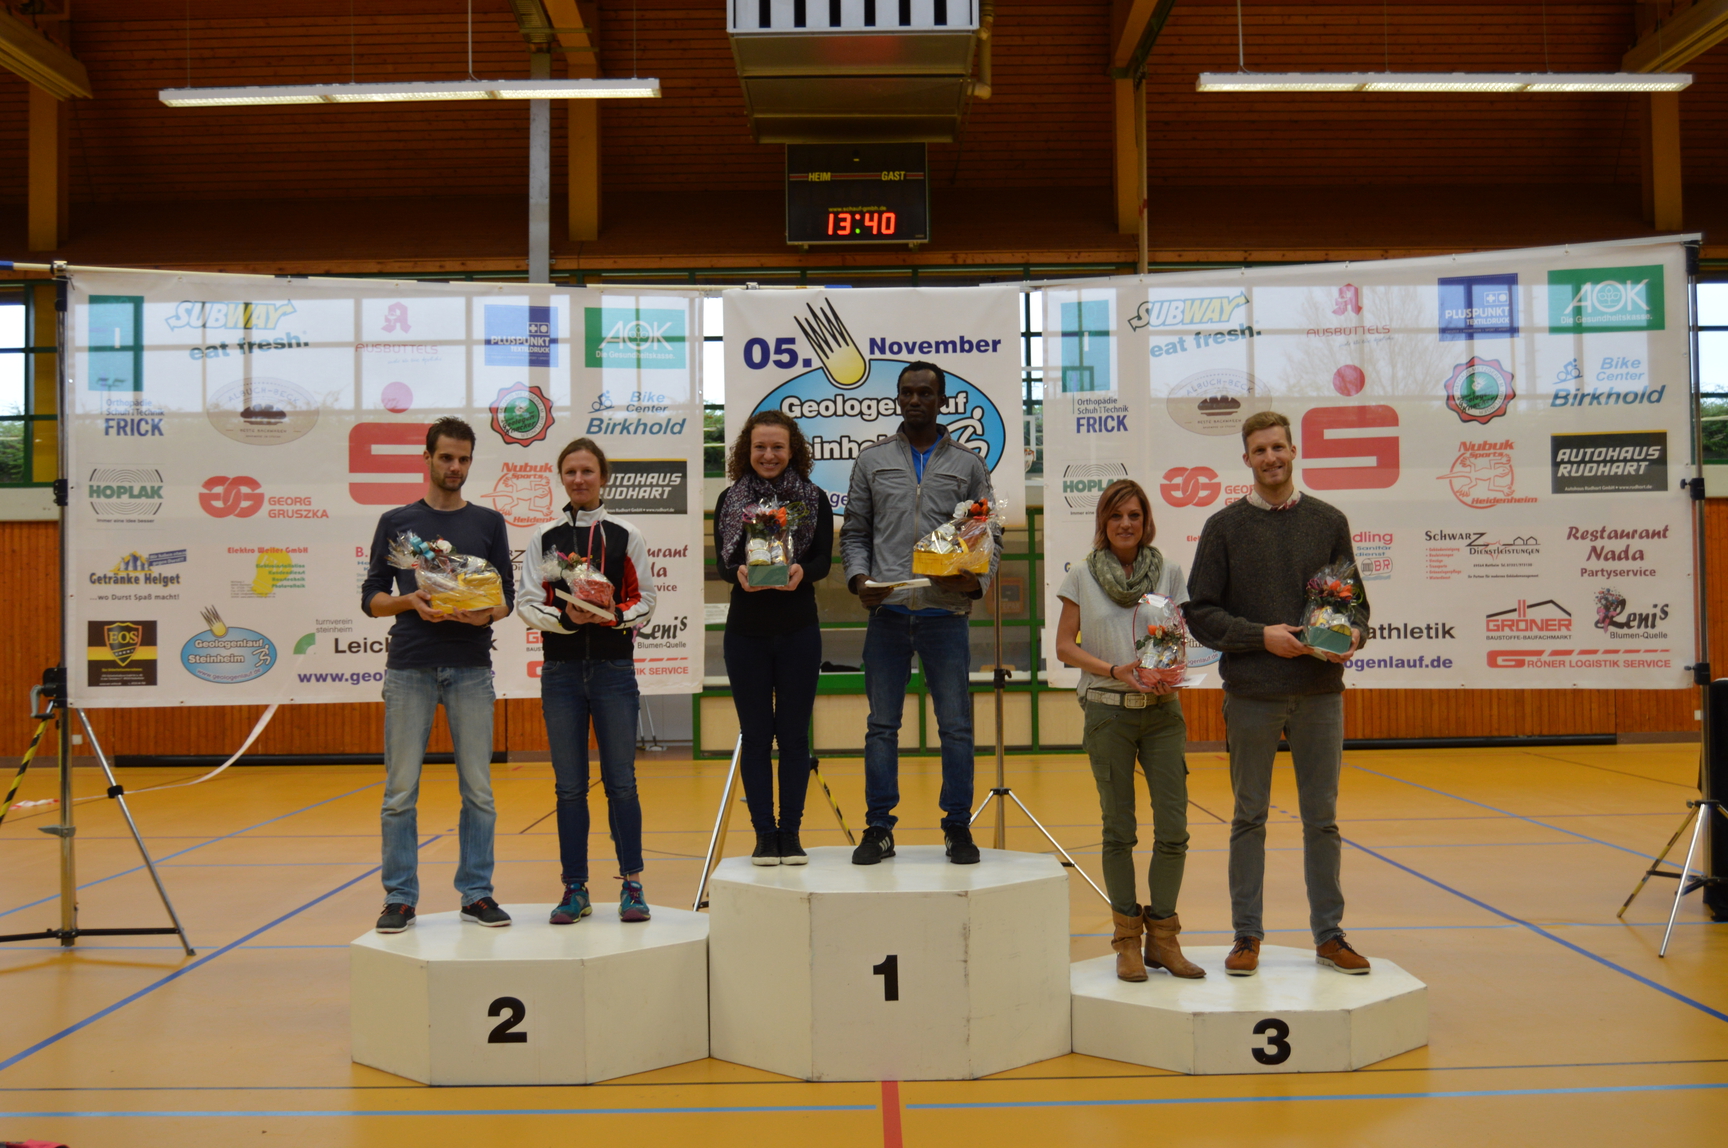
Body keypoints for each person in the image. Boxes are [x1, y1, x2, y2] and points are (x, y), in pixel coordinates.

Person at [1184, 410, 1373, 976]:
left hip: (1320, 693)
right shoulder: (1223, 527)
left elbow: (1354, 604)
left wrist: (1353, 634)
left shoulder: (1329, 521)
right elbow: (1201, 613)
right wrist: (1260, 637)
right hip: (1252, 695)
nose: (1270, 457)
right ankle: (1246, 936)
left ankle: (1330, 937)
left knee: (1323, 820)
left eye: (1278, 447)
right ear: (1246, 459)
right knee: (1249, 817)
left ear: (1293, 452)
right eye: (1259, 450)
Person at [361, 416, 515, 933]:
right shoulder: (397, 523)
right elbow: (371, 598)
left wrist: (483, 614)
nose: (455, 467)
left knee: (479, 792)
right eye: (446, 457)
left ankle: (477, 894)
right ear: (427, 458)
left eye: (463, 459)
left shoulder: (489, 522)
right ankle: (400, 898)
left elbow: (505, 599)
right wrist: (410, 602)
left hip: (471, 667)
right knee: (399, 793)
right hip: (410, 666)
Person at [840, 361, 998, 866]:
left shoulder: (969, 465)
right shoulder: (872, 460)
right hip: (887, 614)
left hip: (945, 616)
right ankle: (878, 828)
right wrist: (859, 580)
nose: (915, 400)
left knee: (955, 727)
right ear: (898, 398)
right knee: (881, 727)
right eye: (907, 392)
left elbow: (987, 536)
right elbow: (855, 532)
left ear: (941, 401)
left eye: (925, 393)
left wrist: (975, 580)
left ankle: (958, 827)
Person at [1055, 479, 1203, 982]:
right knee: (1119, 830)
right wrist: (1115, 670)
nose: (1125, 524)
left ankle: (1163, 938)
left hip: (1162, 713)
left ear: (1146, 521)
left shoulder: (1169, 571)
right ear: (1103, 521)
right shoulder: (1081, 574)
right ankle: (1126, 942)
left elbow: (1174, 638)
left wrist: (1169, 669)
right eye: (1116, 515)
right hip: (1108, 712)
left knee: (1174, 829)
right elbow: (1064, 647)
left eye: (1134, 515)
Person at [519, 438, 657, 924]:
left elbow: (645, 600)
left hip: (614, 671)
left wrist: (612, 616)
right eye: (571, 472)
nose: (579, 479)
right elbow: (528, 603)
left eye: (587, 471)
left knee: (622, 783)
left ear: (603, 477)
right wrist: (568, 619)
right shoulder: (544, 537)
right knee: (569, 787)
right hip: (560, 674)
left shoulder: (625, 535)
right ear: (562, 478)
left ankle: (632, 885)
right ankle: (574, 888)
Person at [715, 411, 833, 866]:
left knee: (795, 737)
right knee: (757, 737)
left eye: (777, 447)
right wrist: (739, 573)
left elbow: (823, 559)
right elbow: (723, 563)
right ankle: (765, 835)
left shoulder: (813, 498)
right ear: (747, 450)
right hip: (745, 634)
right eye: (760, 447)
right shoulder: (730, 499)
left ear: (792, 450)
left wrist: (802, 571)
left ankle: (791, 833)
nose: (768, 455)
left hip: (799, 630)